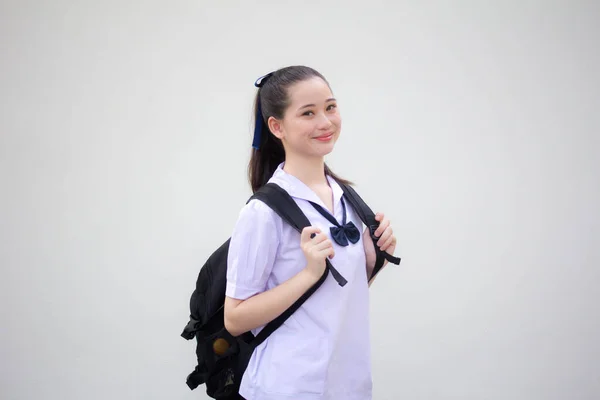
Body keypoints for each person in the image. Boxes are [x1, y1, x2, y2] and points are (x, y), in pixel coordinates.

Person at [224, 65, 398, 400]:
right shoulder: (264, 211)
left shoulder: (348, 199)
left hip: (349, 386)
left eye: (330, 107)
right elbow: (235, 319)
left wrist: (371, 260)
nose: (325, 122)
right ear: (277, 127)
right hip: (287, 388)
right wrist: (308, 274)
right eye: (308, 113)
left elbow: (332, 298)